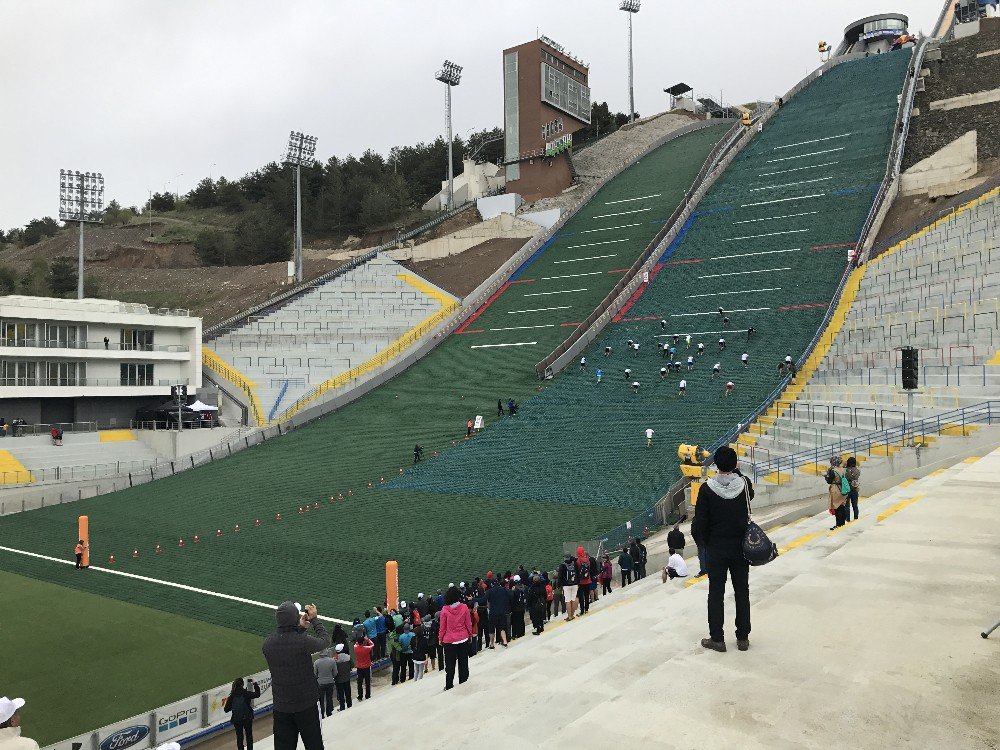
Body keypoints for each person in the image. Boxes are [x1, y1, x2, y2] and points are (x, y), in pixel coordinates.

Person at [692, 446, 753, 652]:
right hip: (740, 547)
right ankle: (743, 638)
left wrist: (706, 543)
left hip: (716, 548)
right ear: (735, 465)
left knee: (716, 592)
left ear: (716, 465)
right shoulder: (744, 485)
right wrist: (737, 472)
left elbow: (700, 522)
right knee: (741, 591)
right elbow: (750, 496)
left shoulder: (706, 489)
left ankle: (717, 638)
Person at [261, 602, 329, 750]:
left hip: (281, 707)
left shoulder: (267, 645)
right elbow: (325, 641)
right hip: (307, 705)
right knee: (315, 745)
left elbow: (287, 642)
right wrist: (315, 619)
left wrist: (299, 628)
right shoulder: (303, 641)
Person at [439, 586, 473, 689]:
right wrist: (470, 635)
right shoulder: (464, 607)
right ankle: (463, 683)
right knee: (463, 663)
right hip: (463, 638)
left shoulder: (445, 610)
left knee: (450, 666)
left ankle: (449, 685)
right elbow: (468, 623)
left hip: (449, 641)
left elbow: (442, 627)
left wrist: (440, 639)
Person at [223, 678, 261, 750]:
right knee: (249, 735)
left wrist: (234, 707)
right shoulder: (246, 693)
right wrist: (255, 683)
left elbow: (226, 710)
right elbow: (258, 694)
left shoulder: (232, 696)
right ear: (242, 685)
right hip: (247, 718)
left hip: (237, 719)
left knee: (239, 737)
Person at [485, 578, 510, 647]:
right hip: (502, 612)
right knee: (502, 628)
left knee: (492, 629)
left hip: (493, 613)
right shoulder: (502, 589)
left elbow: (483, 599)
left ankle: (492, 644)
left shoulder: (489, 591)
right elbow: (509, 595)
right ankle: (505, 641)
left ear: (492, 584)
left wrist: (473, 599)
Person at [825, 456, 848, 529]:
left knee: (836, 507)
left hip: (835, 490)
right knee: (842, 506)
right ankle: (843, 523)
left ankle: (838, 524)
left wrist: (825, 476)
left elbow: (829, 481)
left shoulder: (833, 470)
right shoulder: (844, 470)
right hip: (843, 489)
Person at [313, 649, 338, 717]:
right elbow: (335, 672)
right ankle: (329, 713)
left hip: (320, 683)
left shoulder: (316, 662)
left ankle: (322, 714)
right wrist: (331, 677)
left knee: (321, 699)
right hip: (330, 682)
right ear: (326, 653)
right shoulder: (332, 661)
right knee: (329, 698)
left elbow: (314, 674)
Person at [557, 554, 579, 621]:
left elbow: (560, 576)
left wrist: (559, 585)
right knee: (574, 599)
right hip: (575, 584)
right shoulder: (574, 564)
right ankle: (572, 615)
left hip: (566, 585)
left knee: (568, 601)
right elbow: (578, 573)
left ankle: (569, 616)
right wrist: (578, 582)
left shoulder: (562, 565)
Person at [354, 635, 374, 701]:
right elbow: (372, 645)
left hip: (359, 667)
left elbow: (356, 644)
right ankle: (367, 695)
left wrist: (361, 640)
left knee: (359, 682)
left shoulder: (355, 648)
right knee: (367, 681)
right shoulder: (366, 648)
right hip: (366, 666)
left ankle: (360, 696)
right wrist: (368, 640)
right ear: (363, 642)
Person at [333, 643, 353, 710]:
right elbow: (352, 665)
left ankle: (342, 707)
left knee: (341, 694)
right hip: (347, 677)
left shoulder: (334, 660)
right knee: (348, 692)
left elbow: (333, 670)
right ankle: (349, 705)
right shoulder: (348, 657)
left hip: (338, 680)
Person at [575, 546, 592, 615]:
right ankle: (587, 609)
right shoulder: (587, 560)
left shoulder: (578, 561)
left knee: (581, 596)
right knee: (587, 595)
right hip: (588, 580)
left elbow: (576, 571)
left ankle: (582, 610)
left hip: (581, 582)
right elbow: (589, 569)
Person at [845, 457, 861, 522]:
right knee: (855, 505)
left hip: (847, 489)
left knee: (847, 506)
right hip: (854, 488)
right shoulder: (857, 470)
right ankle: (856, 518)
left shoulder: (845, 471)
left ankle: (847, 519)